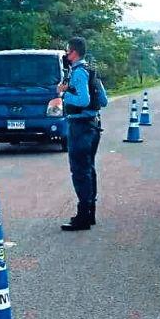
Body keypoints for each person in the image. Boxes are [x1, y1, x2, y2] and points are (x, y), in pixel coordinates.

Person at [59, 37, 103, 232]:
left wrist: (64, 93)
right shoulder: (91, 70)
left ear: (74, 52)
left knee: (79, 171)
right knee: (88, 169)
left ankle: (82, 217)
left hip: (80, 127)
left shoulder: (77, 73)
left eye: (67, 52)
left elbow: (83, 100)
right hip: (93, 126)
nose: (66, 55)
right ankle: (90, 213)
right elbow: (103, 100)